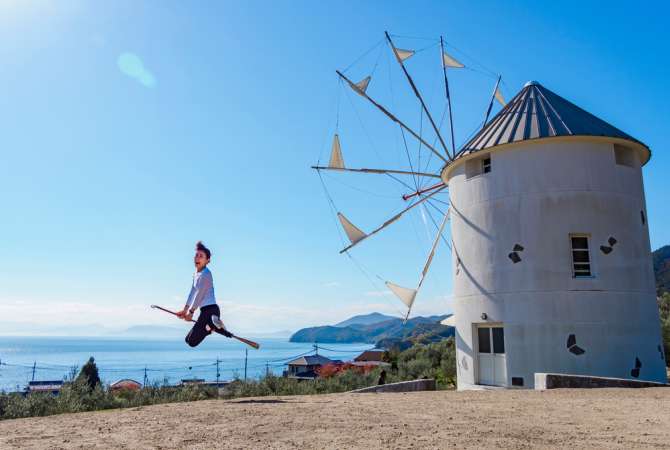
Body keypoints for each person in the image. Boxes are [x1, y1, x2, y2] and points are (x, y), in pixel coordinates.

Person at [177, 241, 232, 347]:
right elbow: (192, 292)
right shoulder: (196, 274)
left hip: (211, 311)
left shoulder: (206, 274)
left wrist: (191, 312)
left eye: (201, 256)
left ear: (207, 261)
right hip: (204, 311)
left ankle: (211, 328)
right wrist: (184, 310)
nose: (197, 258)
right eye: (196, 255)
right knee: (187, 340)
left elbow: (200, 295)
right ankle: (210, 327)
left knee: (192, 342)